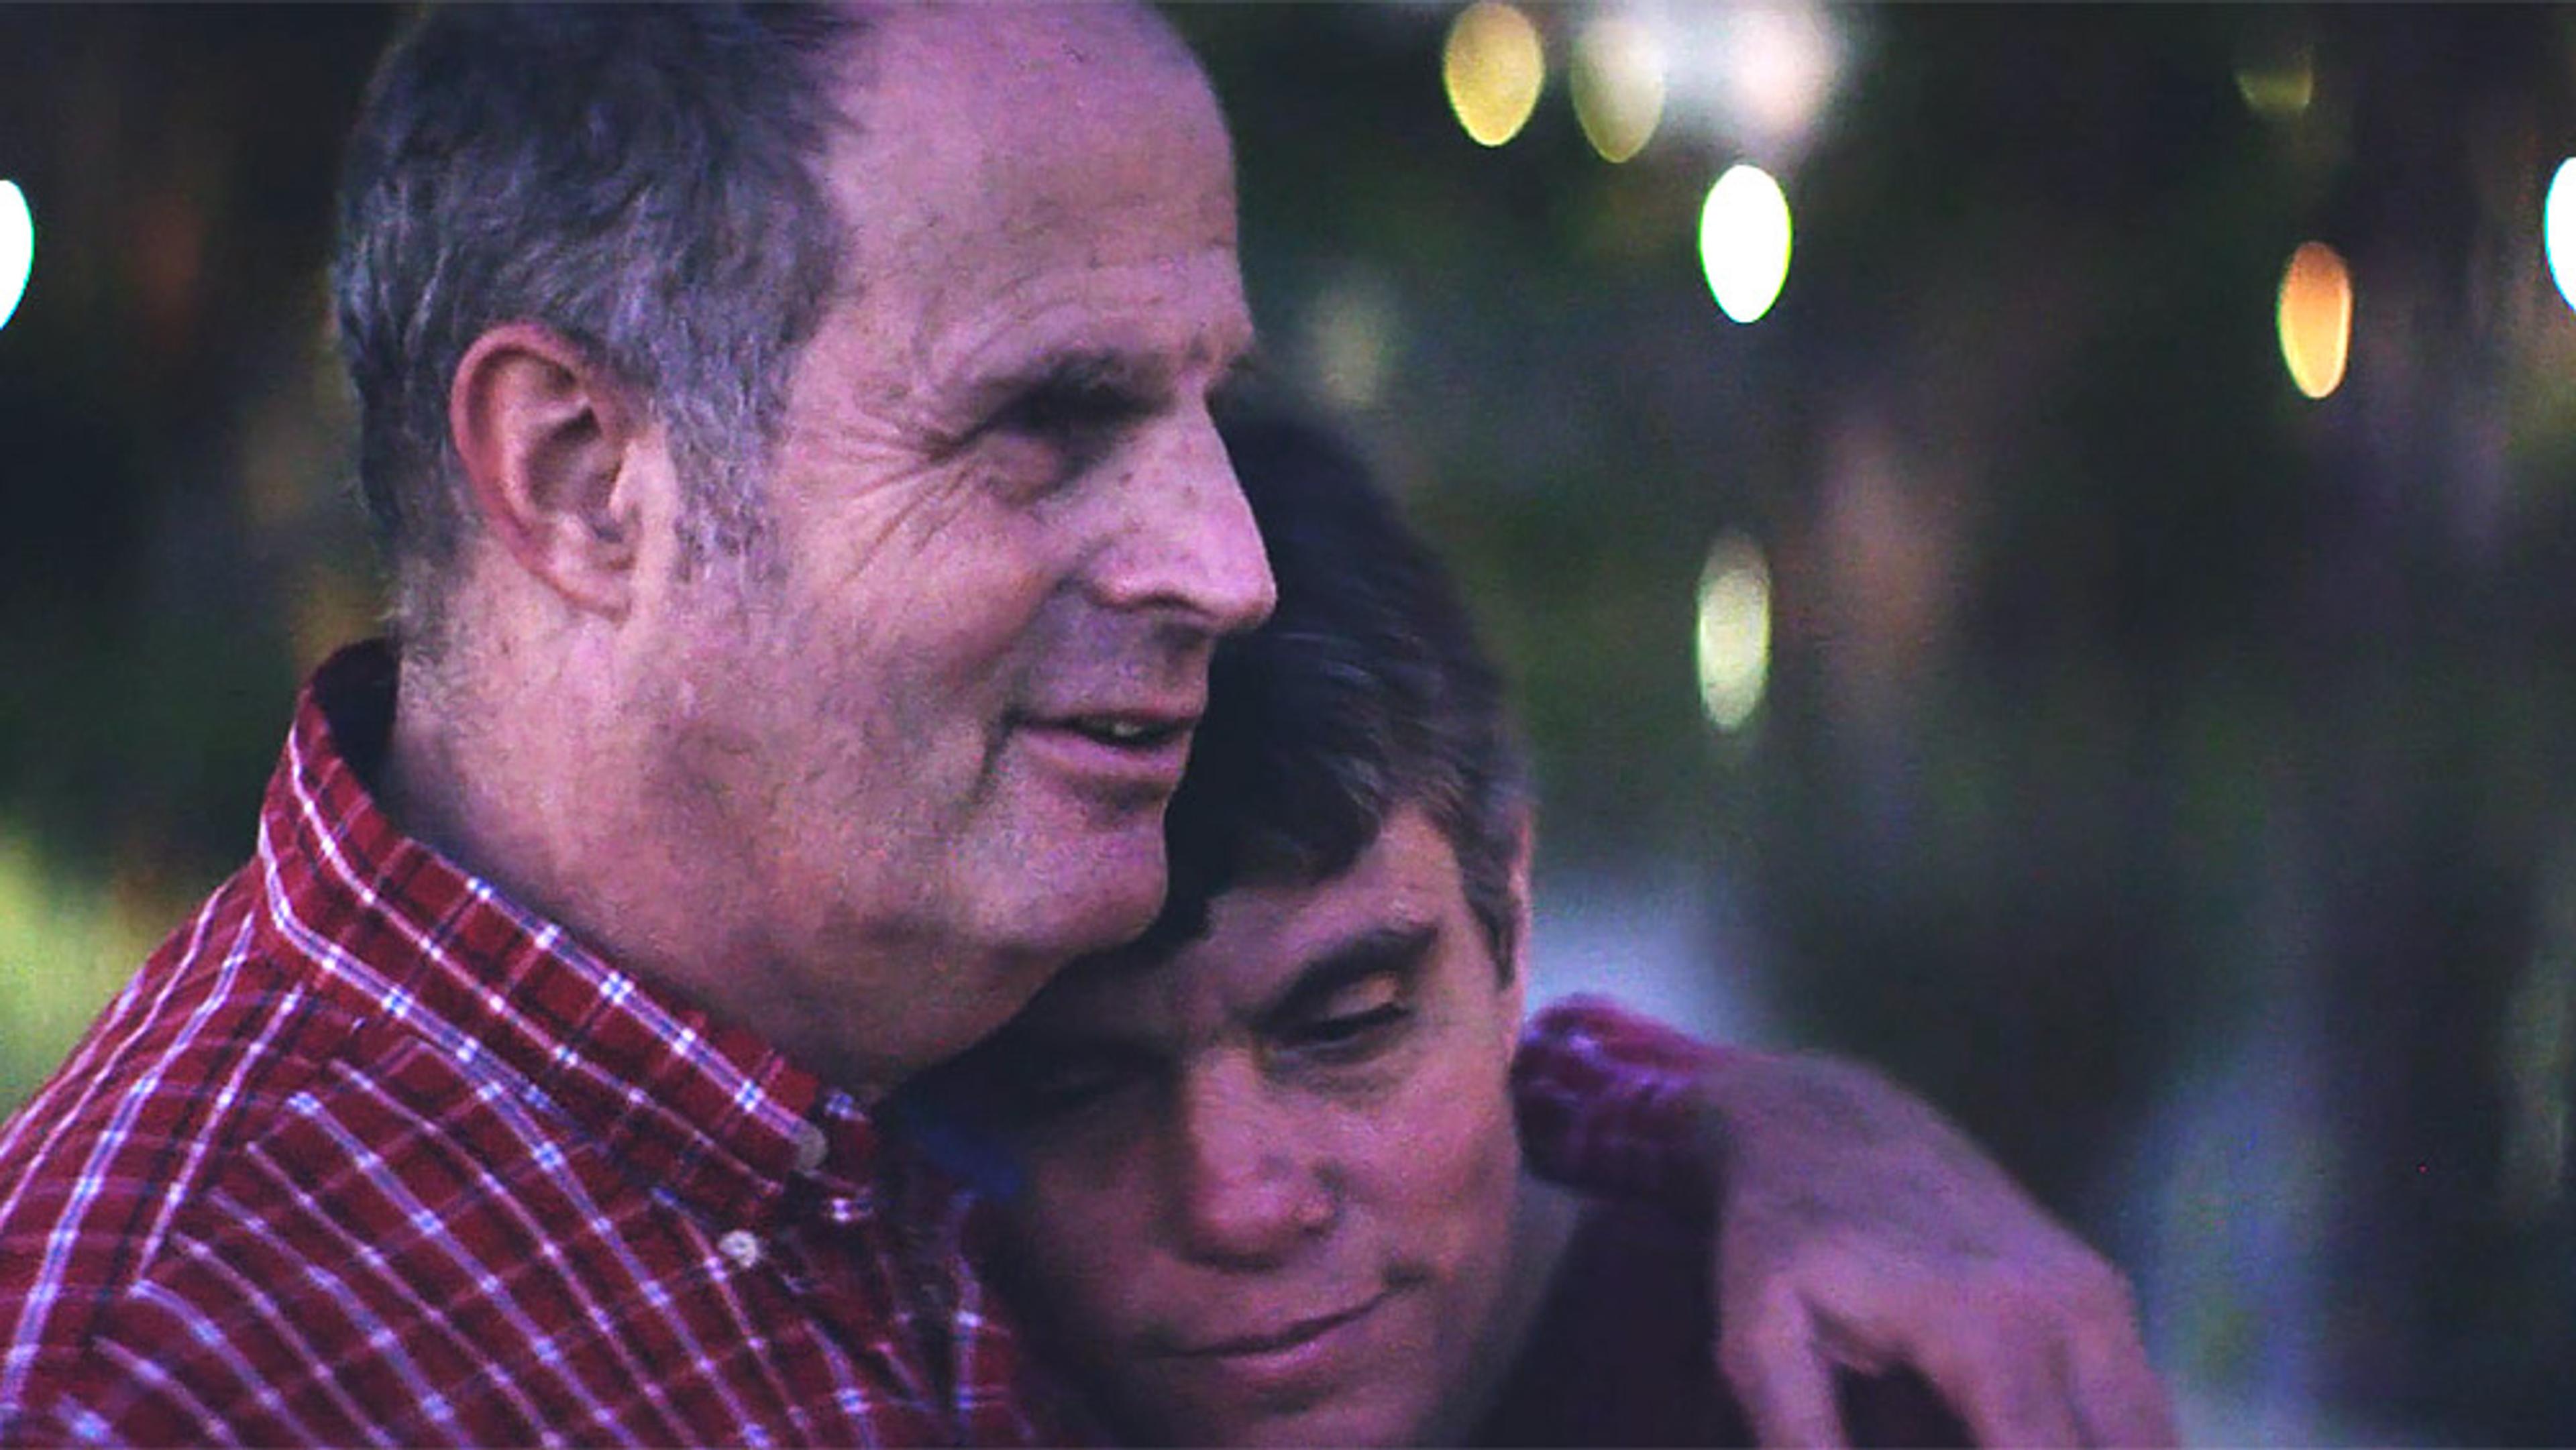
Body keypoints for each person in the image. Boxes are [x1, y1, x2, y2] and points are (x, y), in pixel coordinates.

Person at [0, 7, 2167, 1445]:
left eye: (1204, 407)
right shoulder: (166, 1370)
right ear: (582, 473)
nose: (1225, 566)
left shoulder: (864, 1056)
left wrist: (1744, 1120)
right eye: (1049, 419)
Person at [916, 410, 2165, 1447]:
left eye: (1346, 1027)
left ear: (1510, 914)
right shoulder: (882, 1334)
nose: (1236, 1201)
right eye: (1078, 1083)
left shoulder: (1828, 1408)